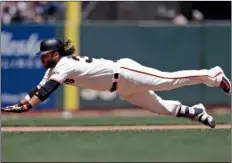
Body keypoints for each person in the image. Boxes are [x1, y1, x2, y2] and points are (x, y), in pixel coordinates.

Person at [2, 38, 231, 128]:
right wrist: (22, 104)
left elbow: (47, 91)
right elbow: (38, 90)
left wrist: (27, 106)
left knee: (168, 80)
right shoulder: (55, 67)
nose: (41, 58)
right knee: (160, 108)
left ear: (54, 53)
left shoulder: (64, 65)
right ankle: (196, 112)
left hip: (124, 73)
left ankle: (213, 75)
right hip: (122, 88)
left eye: (44, 54)